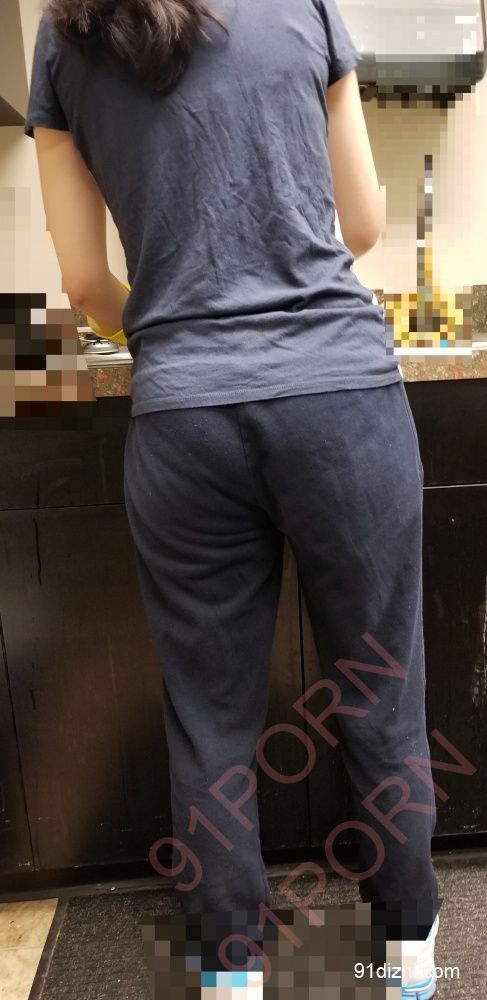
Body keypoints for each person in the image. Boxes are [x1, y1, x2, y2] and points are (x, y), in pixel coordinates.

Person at [24, 0, 441, 995]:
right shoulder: (303, 4)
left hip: (184, 414)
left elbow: (86, 282)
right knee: (379, 689)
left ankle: (231, 974)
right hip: (340, 394)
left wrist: (182, 323)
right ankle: (410, 958)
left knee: (209, 720)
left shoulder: (67, 33)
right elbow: (359, 223)